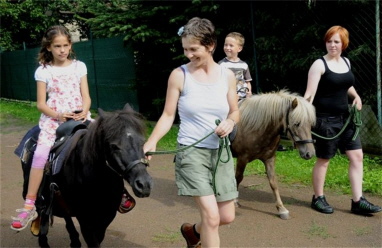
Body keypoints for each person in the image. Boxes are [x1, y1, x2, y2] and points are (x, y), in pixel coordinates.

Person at [10, 25, 134, 231]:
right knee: (40, 155)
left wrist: (84, 111)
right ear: (48, 47)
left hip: (80, 117)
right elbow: (41, 103)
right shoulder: (43, 71)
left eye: (65, 45)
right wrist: (59, 115)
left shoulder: (79, 66)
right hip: (54, 120)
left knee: (108, 143)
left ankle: (120, 192)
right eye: (57, 46)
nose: (62, 50)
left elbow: (86, 96)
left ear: (70, 45)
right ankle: (30, 205)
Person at [143, 17, 239, 247]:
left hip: (220, 154)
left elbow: (235, 111)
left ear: (210, 46)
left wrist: (230, 122)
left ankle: (193, 232)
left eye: (193, 49)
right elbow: (168, 115)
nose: (188, 54)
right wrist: (152, 141)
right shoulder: (179, 75)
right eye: (185, 49)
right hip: (191, 153)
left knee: (226, 216)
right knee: (212, 217)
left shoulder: (227, 76)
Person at [304, 25, 381, 215]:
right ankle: (318, 198)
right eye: (329, 41)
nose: (332, 45)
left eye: (336, 41)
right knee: (324, 159)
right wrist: (303, 118)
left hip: (346, 120)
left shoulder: (346, 62)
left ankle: (357, 201)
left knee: (357, 156)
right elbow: (309, 95)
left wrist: (356, 96)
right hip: (325, 121)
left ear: (343, 44)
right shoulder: (319, 64)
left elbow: (346, 84)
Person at [218, 32, 253, 100]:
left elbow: (247, 81)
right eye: (226, 45)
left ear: (239, 49)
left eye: (231, 45)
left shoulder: (244, 65)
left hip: (243, 98)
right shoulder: (221, 64)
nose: (227, 48)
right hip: (227, 99)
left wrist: (249, 92)